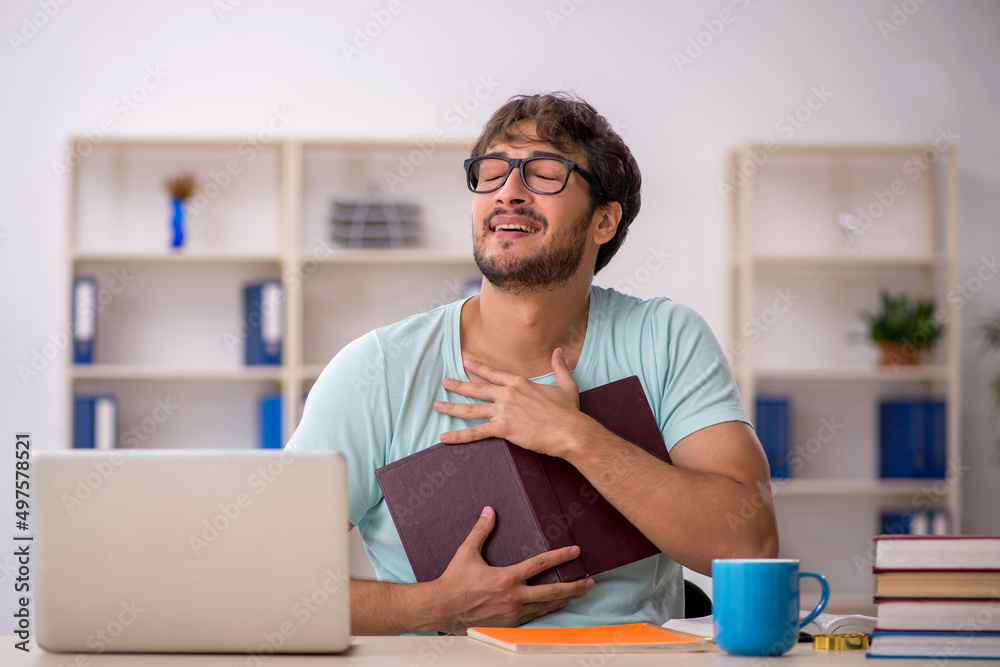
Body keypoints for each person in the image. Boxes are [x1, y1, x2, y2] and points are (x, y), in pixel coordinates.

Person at [285, 92, 779, 636]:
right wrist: (436, 607)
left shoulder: (665, 338)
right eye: (491, 173)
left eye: (544, 173)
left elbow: (749, 543)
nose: (508, 192)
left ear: (604, 221)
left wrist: (576, 436)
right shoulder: (375, 370)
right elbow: (268, 577)